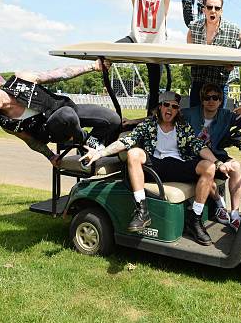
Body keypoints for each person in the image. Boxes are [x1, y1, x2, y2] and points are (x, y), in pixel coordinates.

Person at [80, 91, 229, 246]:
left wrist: (218, 162)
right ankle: (142, 210)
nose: (169, 109)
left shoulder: (183, 127)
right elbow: (127, 141)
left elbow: (199, 146)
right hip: (155, 166)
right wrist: (100, 153)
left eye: (174, 106)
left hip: (177, 165)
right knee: (133, 153)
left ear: (178, 110)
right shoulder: (149, 125)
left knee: (209, 167)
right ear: (160, 107)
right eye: (166, 105)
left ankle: (195, 218)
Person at [0, 59, 121, 167]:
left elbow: (57, 74)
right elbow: (31, 141)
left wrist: (93, 66)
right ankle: (87, 141)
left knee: (113, 119)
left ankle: (88, 145)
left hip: (65, 108)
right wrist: (51, 156)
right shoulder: (5, 122)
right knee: (65, 115)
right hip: (53, 130)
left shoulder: (20, 80)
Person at [182, 83, 241, 231]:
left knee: (236, 166)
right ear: (202, 100)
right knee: (209, 173)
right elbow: (164, 116)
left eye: (215, 98)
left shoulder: (226, 115)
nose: (211, 101)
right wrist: (133, 122)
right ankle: (220, 204)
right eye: (207, 98)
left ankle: (234, 214)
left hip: (216, 154)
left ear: (220, 101)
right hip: (195, 157)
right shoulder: (190, 114)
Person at [187, 0, 241, 108]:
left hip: (220, 80)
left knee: (218, 120)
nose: (213, 11)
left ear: (221, 11)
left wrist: (234, 61)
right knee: (195, 116)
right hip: (199, 78)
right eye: (209, 7)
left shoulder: (232, 28)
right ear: (204, 9)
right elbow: (189, 48)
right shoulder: (193, 27)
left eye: (217, 8)